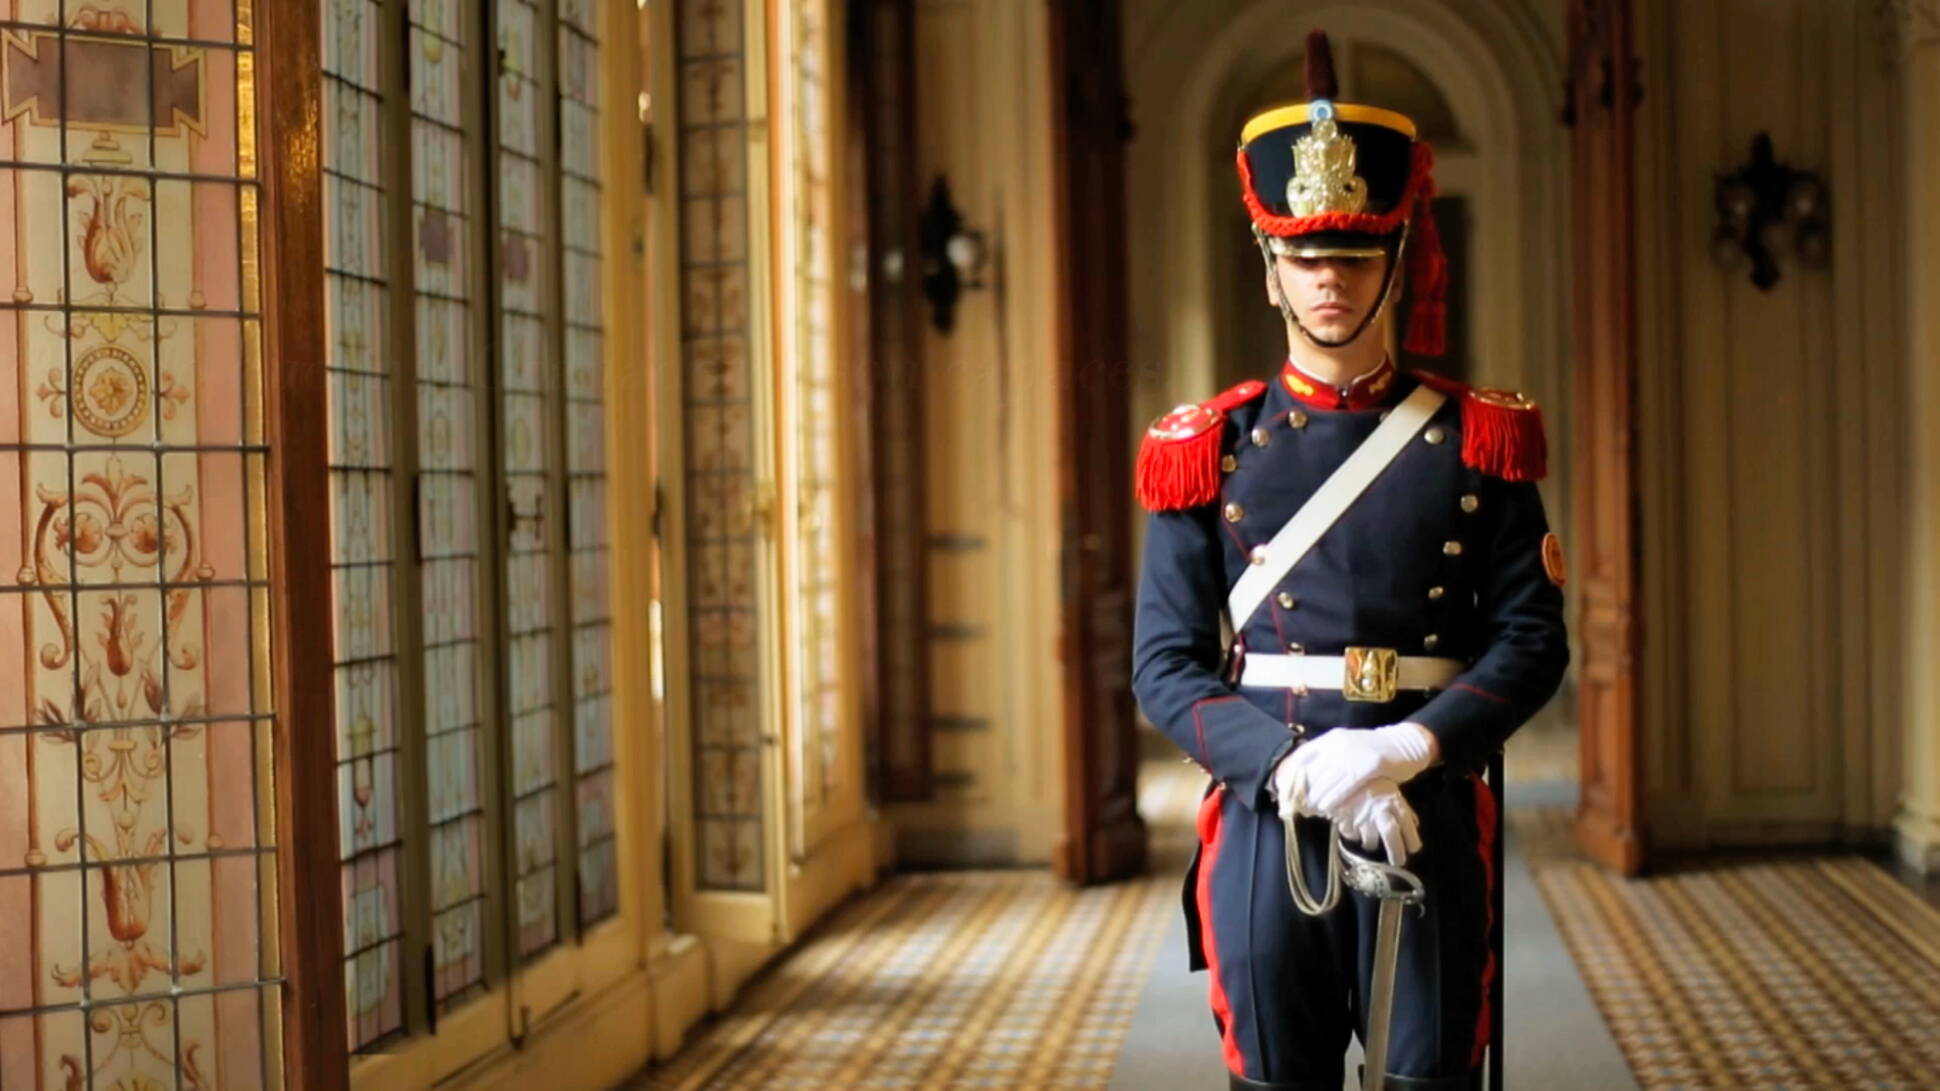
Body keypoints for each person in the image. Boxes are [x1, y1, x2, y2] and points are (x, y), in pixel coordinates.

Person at [1128, 29, 1570, 1091]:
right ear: (1269, 267)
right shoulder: (1207, 450)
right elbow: (1163, 662)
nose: (1329, 280)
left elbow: (1529, 639)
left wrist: (1406, 749)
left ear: (1397, 257)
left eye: (1354, 255)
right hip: (1264, 815)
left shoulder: (1478, 440)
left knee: (1429, 1076)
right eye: (1305, 257)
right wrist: (1287, 767)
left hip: (1423, 803)